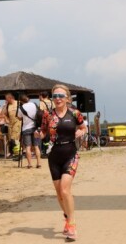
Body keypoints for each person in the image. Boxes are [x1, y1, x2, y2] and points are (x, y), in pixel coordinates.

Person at [37, 84, 86, 242]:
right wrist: (40, 134)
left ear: (67, 98)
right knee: (59, 193)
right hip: (54, 156)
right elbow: (44, 132)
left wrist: (81, 131)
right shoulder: (47, 115)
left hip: (71, 154)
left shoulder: (75, 113)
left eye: (60, 96)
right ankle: (66, 217)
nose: (57, 99)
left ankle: (71, 225)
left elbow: (83, 127)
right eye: (55, 96)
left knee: (65, 190)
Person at [17, 94, 41, 169]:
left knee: (28, 147)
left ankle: (29, 164)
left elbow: (19, 118)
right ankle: (38, 163)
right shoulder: (34, 104)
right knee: (36, 146)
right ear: (28, 98)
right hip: (35, 127)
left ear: (21, 101)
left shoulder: (21, 108)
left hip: (26, 128)